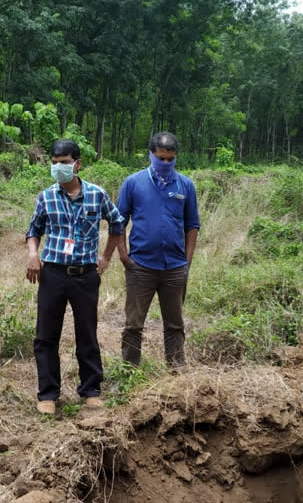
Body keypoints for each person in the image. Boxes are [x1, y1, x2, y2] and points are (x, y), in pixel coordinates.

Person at [26, 139, 125, 415]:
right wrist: (33, 254)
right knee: (46, 335)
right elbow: (33, 230)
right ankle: (48, 394)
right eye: (55, 163)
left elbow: (117, 223)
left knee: (87, 333)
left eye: (65, 163)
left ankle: (91, 390)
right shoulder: (46, 197)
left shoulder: (97, 194)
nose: (59, 167)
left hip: (85, 275)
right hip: (53, 273)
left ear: (77, 164)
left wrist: (106, 257)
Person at [116, 132, 200, 369]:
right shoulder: (133, 183)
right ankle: (130, 371)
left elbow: (192, 225)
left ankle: (176, 370)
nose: (165, 164)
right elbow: (118, 221)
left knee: (174, 324)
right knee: (134, 324)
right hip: (140, 266)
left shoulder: (185, 185)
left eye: (170, 159)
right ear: (151, 154)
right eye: (161, 158)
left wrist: (187, 261)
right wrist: (124, 255)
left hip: (174, 267)